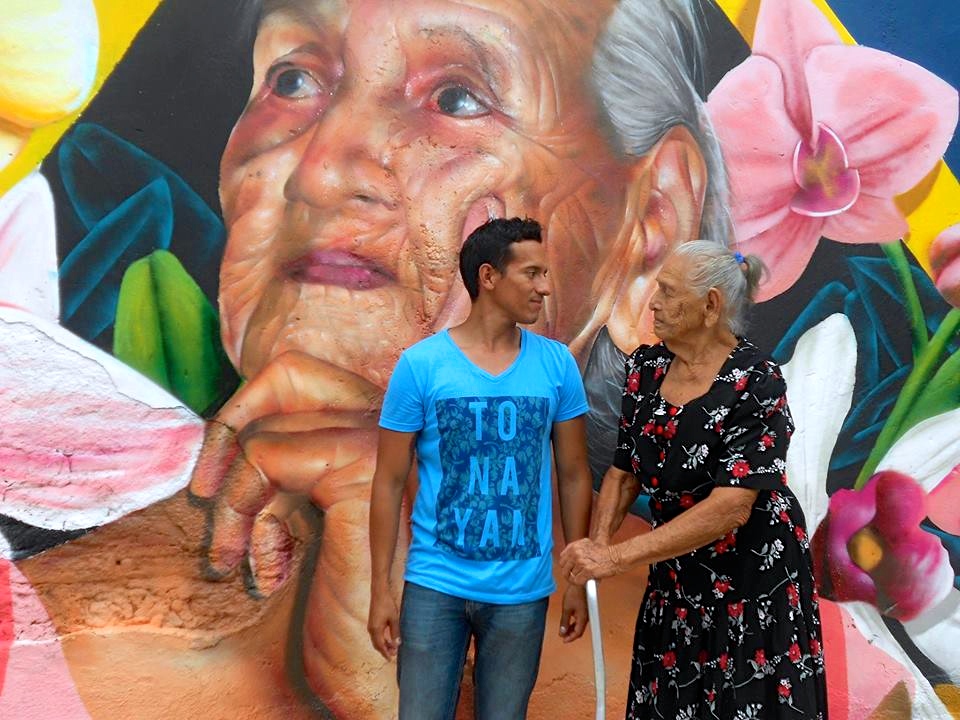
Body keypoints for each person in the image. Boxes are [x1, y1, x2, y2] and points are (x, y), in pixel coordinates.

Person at [19, 0, 735, 717]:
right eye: (293, 80)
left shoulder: (728, 645)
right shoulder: (46, 605)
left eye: (456, 98)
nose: (321, 172)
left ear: (650, 229)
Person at [560, 241, 828, 719]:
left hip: (751, 582)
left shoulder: (756, 380)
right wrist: (595, 556)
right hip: (678, 580)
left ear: (710, 305)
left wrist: (616, 557)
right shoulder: (646, 369)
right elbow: (623, 473)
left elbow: (732, 506)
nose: (654, 303)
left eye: (668, 291)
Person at [367, 217, 593, 719]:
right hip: (434, 586)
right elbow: (387, 481)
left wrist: (577, 578)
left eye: (545, 274)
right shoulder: (422, 366)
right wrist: (381, 589)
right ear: (488, 277)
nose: (545, 287)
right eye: (531, 273)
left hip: (521, 594)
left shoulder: (557, 365)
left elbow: (575, 473)